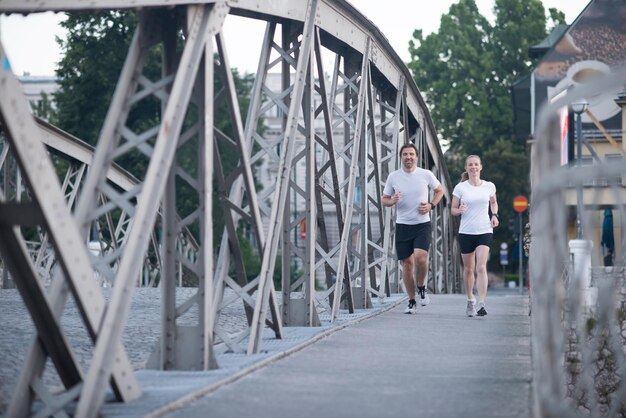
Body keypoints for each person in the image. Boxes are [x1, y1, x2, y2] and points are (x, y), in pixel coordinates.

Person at [382, 143, 445, 314]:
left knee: (420, 257)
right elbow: (384, 199)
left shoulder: (425, 174)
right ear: (401, 157)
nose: (408, 157)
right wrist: (392, 200)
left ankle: (422, 286)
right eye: (405, 154)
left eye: (411, 154)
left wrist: (431, 205)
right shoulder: (394, 177)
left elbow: (440, 190)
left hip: (422, 224)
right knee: (407, 264)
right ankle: (411, 300)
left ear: (416, 157)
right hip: (403, 225)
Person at [451, 155, 499, 317]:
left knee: (481, 267)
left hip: (484, 230)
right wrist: (459, 211)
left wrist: (495, 215)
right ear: (466, 168)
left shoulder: (489, 186)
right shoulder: (460, 188)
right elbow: (453, 209)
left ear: (481, 167)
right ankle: (470, 299)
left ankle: (482, 303)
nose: (473, 167)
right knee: (469, 269)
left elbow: (493, 202)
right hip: (466, 232)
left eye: (476, 164)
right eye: (470, 165)